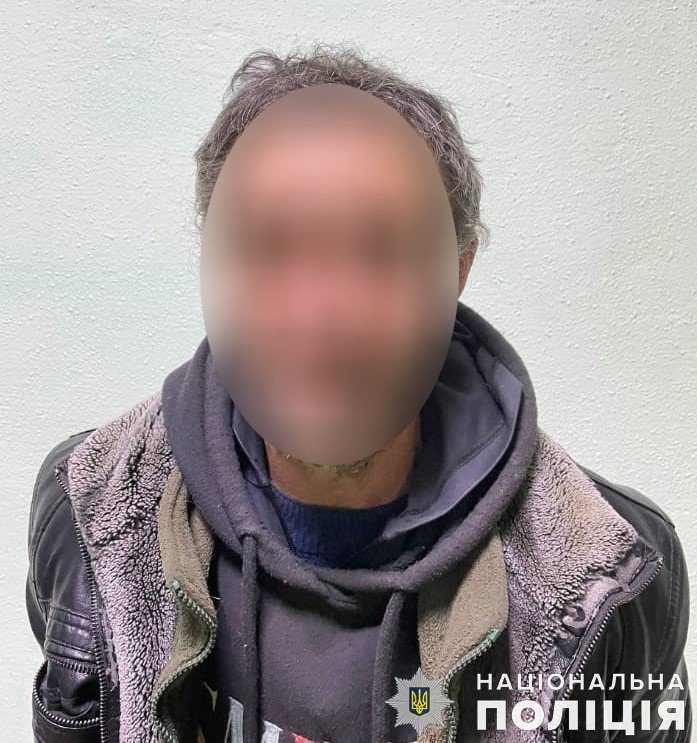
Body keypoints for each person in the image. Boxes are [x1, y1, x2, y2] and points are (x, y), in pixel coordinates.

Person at [26, 43, 691, 743]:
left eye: (379, 252)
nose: (319, 314)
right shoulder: (91, 511)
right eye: (268, 248)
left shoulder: (612, 577)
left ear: (457, 271)